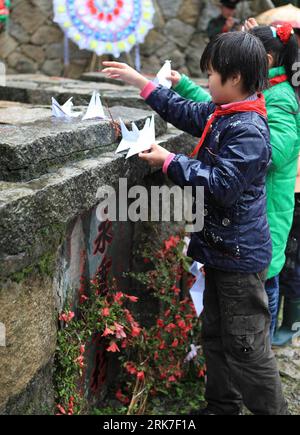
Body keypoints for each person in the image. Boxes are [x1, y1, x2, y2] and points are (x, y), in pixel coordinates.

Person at [102, 31, 289, 415]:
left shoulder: (248, 130)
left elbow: (222, 186)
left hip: (239, 260)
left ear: (234, 78)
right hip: (221, 252)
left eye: (212, 75)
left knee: (247, 349)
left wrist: (170, 161)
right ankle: (222, 406)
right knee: (217, 338)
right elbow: (185, 111)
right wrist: (142, 83)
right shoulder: (227, 112)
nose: (207, 83)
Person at [168, 20, 300, 341]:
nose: (214, 77)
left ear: (264, 61)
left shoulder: (280, 98)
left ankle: (267, 346)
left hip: (263, 218)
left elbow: (272, 150)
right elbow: (221, 107)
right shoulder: (264, 91)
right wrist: (183, 86)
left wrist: (240, 139)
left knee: (259, 304)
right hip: (252, 218)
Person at [274, 158, 300, 346]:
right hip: (284, 192)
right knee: (281, 258)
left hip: (294, 193)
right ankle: (276, 321)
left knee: (293, 264)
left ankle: (292, 325)